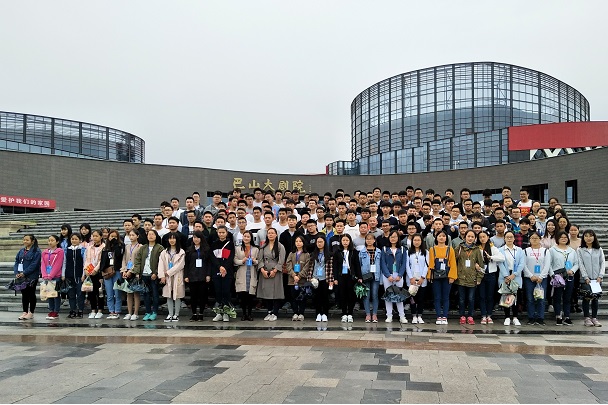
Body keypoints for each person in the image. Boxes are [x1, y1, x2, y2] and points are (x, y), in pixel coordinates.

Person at [544, 231, 579, 326]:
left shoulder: (572, 251)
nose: (564, 239)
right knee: (557, 296)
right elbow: (549, 264)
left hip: (569, 276)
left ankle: (567, 316)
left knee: (568, 297)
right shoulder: (552, 250)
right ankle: (558, 316)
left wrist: (572, 271)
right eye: (561, 237)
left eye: (565, 237)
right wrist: (552, 275)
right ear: (557, 239)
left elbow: (576, 263)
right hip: (557, 276)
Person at [427, 230, 457, 325]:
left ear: (446, 238)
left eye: (443, 236)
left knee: (446, 297)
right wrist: (430, 276)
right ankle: (438, 316)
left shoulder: (450, 249)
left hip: (447, 276)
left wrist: (452, 276)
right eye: (439, 236)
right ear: (436, 238)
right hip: (435, 276)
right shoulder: (432, 249)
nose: (441, 237)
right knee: (437, 297)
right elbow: (431, 263)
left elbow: (453, 264)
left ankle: (445, 316)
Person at [454, 230, 484, 325]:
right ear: (465, 237)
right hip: (461, 278)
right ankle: (462, 315)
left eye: (472, 237)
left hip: (472, 278)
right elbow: (453, 261)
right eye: (468, 236)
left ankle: (470, 316)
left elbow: (481, 265)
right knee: (461, 299)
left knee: (471, 299)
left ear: (475, 238)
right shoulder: (459, 248)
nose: (470, 238)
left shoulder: (477, 250)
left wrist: (479, 278)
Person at [133, 229, 164, 321]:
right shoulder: (143, 248)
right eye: (149, 234)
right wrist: (137, 272)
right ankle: (147, 312)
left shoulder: (160, 248)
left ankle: (154, 312)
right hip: (144, 274)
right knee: (146, 294)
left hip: (153, 275)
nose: (150, 236)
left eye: (152, 234)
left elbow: (161, 262)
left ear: (156, 236)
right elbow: (137, 260)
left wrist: (156, 273)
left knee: (155, 294)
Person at [256, 228, 286, 321]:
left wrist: (275, 270)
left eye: (273, 233)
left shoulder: (280, 246)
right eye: (269, 233)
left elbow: (281, 260)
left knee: (276, 292)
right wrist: (262, 270)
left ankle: (275, 312)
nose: (271, 235)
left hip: (275, 271)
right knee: (267, 292)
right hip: (265, 270)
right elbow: (260, 259)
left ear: (276, 235)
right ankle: (269, 311)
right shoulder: (263, 246)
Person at [498, 231, 526, 326]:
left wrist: (515, 274)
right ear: (504, 238)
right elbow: (500, 263)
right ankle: (507, 317)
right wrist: (506, 276)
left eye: (511, 237)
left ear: (514, 238)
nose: (509, 239)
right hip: (504, 276)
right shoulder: (500, 250)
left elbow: (522, 263)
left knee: (516, 298)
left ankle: (515, 317)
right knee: (506, 297)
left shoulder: (519, 250)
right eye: (507, 237)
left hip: (516, 276)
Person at [477, 231, 504, 325]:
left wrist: (491, 257)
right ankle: (483, 315)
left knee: (490, 296)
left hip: (491, 274)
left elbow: (502, 258)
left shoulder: (493, 248)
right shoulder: (477, 248)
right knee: (482, 296)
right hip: (480, 274)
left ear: (488, 237)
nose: (482, 239)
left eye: (484, 236)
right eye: (480, 237)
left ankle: (489, 315)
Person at [380, 231, 407, 324]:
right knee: (388, 296)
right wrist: (388, 275)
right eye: (391, 237)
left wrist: (400, 275)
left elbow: (404, 263)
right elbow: (383, 263)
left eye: (395, 237)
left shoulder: (402, 249)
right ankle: (389, 315)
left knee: (399, 296)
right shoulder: (384, 249)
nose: (393, 238)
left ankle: (402, 316)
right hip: (388, 275)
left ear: (398, 238)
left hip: (398, 275)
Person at [578, 230, 604, 327]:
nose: (588, 238)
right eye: (586, 236)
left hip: (597, 279)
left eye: (591, 236)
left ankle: (594, 318)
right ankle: (587, 318)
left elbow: (602, 263)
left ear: (594, 237)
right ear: (583, 238)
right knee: (586, 298)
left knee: (595, 298)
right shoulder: (580, 250)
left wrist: (600, 276)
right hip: (586, 279)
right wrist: (585, 276)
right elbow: (581, 264)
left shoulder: (599, 249)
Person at [334, 234, 362, 323]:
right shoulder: (337, 252)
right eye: (343, 240)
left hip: (351, 276)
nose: (345, 242)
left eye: (347, 240)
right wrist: (335, 278)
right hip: (341, 275)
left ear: (350, 241)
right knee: (342, 295)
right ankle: (344, 314)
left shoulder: (354, 251)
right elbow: (335, 266)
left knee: (351, 295)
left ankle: (350, 313)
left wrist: (359, 277)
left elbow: (357, 265)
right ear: (341, 242)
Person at [211, 226, 236, 322]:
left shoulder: (231, 244)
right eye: (219, 232)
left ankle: (226, 313)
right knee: (218, 291)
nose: (221, 234)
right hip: (216, 271)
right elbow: (212, 257)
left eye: (223, 232)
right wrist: (219, 267)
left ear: (226, 233)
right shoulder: (214, 244)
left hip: (227, 271)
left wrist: (225, 267)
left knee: (226, 292)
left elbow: (231, 257)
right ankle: (218, 313)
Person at [158, 233, 186, 322]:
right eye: (170, 238)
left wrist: (168, 272)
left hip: (177, 275)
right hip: (167, 276)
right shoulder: (164, 252)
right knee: (168, 295)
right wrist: (162, 276)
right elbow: (161, 264)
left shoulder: (181, 252)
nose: (172, 240)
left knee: (177, 294)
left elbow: (180, 265)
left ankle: (176, 314)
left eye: (174, 238)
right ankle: (170, 314)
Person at [523, 233, 549, 325]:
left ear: (540, 239)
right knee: (530, 298)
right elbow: (523, 265)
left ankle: (540, 317)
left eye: (536, 238)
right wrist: (531, 276)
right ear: (529, 239)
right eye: (532, 238)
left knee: (541, 298)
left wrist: (541, 276)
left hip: (542, 279)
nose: (534, 239)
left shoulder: (545, 251)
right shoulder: (526, 251)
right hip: (529, 278)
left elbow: (547, 265)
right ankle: (531, 317)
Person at [14, 234, 42, 321]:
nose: (25, 241)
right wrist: (17, 272)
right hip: (21, 276)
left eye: (27, 240)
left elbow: (34, 264)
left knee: (31, 293)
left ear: (32, 241)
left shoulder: (37, 251)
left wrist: (24, 273)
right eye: (24, 240)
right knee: (24, 294)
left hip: (31, 276)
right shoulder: (21, 251)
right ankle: (25, 311)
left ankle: (31, 312)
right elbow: (16, 261)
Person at [308, 235, 334, 322]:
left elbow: (331, 268)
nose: (319, 244)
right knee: (317, 297)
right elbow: (310, 267)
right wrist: (310, 278)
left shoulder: (329, 254)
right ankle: (318, 313)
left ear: (324, 243)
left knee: (325, 297)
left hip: (325, 278)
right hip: (315, 279)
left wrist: (331, 280)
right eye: (318, 242)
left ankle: (325, 314)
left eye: (321, 242)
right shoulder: (313, 254)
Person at [99, 230, 125, 320]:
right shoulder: (105, 248)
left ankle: (117, 310)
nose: (113, 238)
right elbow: (102, 262)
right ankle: (111, 311)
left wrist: (116, 243)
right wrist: (101, 273)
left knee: (117, 292)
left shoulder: (120, 246)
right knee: (109, 293)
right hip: (107, 272)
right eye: (111, 236)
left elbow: (119, 255)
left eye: (115, 237)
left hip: (117, 271)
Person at [234, 231, 259, 321]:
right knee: (242, 295)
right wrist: (242, 261)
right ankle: (244, 314)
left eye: (248, 237)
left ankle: (249, 314)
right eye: (245, 236)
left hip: (251, 272)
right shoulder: (238, 248)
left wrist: (254, 261)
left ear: (251, 238)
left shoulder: (255, 249)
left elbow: (259, 261)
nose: (246, 238)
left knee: (250, 296)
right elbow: (235, 260)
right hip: (242, 272)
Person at [285, 235, 311, 321]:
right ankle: (295, 312)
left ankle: (301, 313)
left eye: (300, 241)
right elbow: (288, 265)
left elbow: (307, 267)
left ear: (303, 243)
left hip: (302, 280)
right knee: (293, 297)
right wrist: (294, 275)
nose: (298, 243)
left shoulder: (306, 254)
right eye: (296, 241)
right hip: (292, 279)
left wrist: (299, 276)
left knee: (302, 297)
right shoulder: (291, 254)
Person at [40, 235, 64, 320]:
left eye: (52, 240)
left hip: (55, 276)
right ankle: (51, 310)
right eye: (49, 240)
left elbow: (58, 264)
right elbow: (43, 264)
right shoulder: (45, 252)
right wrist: (44, 274)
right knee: (48, 294)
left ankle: (56, 311)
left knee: (55, 294)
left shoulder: (60, 251)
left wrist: (51, 275)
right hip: (46, 276)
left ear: (57, 242)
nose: (50, 242)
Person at [406, 234, 429, 324]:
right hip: (411, 280)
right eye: (415, 240)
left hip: (422, 280)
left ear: (421, 241)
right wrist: (411, 277)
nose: (416, 242)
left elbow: (427, 266)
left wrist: (422, 277)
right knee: (412, 299)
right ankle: (413, 316)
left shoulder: (426, 252)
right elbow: (407, 266)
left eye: (418, 240)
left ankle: (419, 315)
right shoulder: (408, 252)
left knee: (421, 299)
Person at [359, 233, 382, 323]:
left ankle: (375, 314)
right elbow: (359, 264)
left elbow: (381, 264)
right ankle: (368, 314)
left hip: (376, 275)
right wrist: (360, 277)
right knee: (366, 295)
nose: (369, 241)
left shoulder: (379, 251)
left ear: (374, 240)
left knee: (375, 294)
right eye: (367, 239)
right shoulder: (362, 252)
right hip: (365, 276)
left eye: (371, 239)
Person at [120, 230, 142, 321]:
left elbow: (139, 261)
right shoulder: (127, 246)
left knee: (136, 293)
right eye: (130, 235)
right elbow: (124, 259)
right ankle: (129, 312)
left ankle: (135, 313)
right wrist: (124, 270)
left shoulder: (140, 247)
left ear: (137, 236)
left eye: (133, 235)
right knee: (128, 292)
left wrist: (131, 271)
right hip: (127, 271)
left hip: (135, 272)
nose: (131, 237)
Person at [83, 230, 105, 319]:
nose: (94, 238)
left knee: (100, 292)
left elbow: (101, 260)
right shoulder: (89, 247)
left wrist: (96, 269)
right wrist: (86, 269)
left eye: (96, 236)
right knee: (91, 291)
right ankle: (93, 310)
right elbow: (87, 259)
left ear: (101, 237)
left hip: (99, 272)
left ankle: (100, 310)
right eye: (93, 236)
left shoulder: (104, 247)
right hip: (90, 271)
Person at [63, 233, 85, 318]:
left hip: (79, 275)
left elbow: (84, 263)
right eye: (72, 239)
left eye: (76, 239)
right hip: (69, 275)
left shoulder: (83, 250)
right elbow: (64, 263)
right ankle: (72, 310)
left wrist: (83, 274)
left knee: (80, 294)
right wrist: (63, 274)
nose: (74, 240)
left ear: (80, 240)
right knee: (71, 294)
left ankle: (80, 310)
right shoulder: (66, 250)